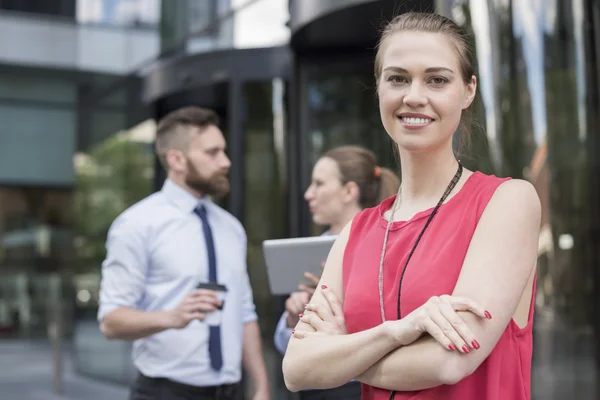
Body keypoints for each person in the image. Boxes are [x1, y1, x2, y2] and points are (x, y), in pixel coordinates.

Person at [282, 12, 540, 400]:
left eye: (436, 79)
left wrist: (339, 356)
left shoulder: (507, 201)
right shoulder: (357, 231)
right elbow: (296, 368)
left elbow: (449, 362)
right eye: (398, 78)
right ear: (380, 88)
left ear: (468, 91)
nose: (414, 96)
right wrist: (396, 332)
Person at [98, 106, 270, 400]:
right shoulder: (136, 224)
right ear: (176, 159)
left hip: (231, 392)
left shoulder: (231, 228)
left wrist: (262, 385)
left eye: (224, 151)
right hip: (165, 392)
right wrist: (171, 317)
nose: (225, 162)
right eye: (212, 153)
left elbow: (244, 312)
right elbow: (111, 321)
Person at [274, 145, 400, 399]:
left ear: (349, 191)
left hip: (363, 386)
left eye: (319, 184)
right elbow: (284, 347)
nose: (308, 194)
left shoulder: (390, 246)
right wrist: (293, 318)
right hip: (315, 387)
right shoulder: (310, 251)